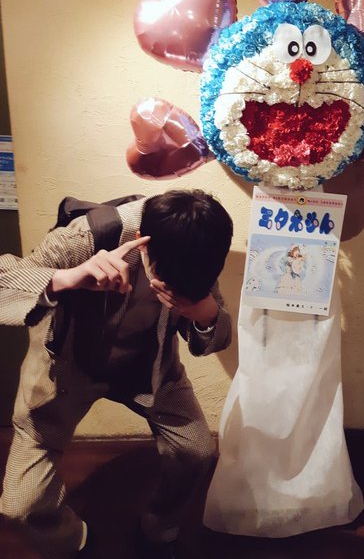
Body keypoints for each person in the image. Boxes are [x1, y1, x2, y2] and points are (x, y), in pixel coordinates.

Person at [0, 189, 233, 559]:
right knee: (21, 504)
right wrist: (68, 278)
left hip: (149, 368)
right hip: (67, 373)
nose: (173, 292)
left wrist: (204, 311)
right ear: (144, 244)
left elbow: (213, 339)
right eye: (166, 281)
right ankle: (73, 540)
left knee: (196, 451)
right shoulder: (85, 237)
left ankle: (159, 528)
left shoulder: (194, 247)